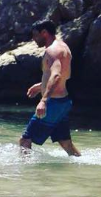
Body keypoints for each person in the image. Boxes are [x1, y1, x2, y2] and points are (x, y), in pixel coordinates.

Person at [20, 19, 80, 157]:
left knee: (25, 140)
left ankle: (25, 175)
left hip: (53, 104)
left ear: (44, 33)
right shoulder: (63, 47)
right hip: (63, 102)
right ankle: (81, 166)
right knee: (66, 143)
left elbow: (57, 75)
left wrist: (44, 100)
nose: (34, 39)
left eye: (35, 35)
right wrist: (41, 85)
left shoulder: (52, 51)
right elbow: (65, 75)